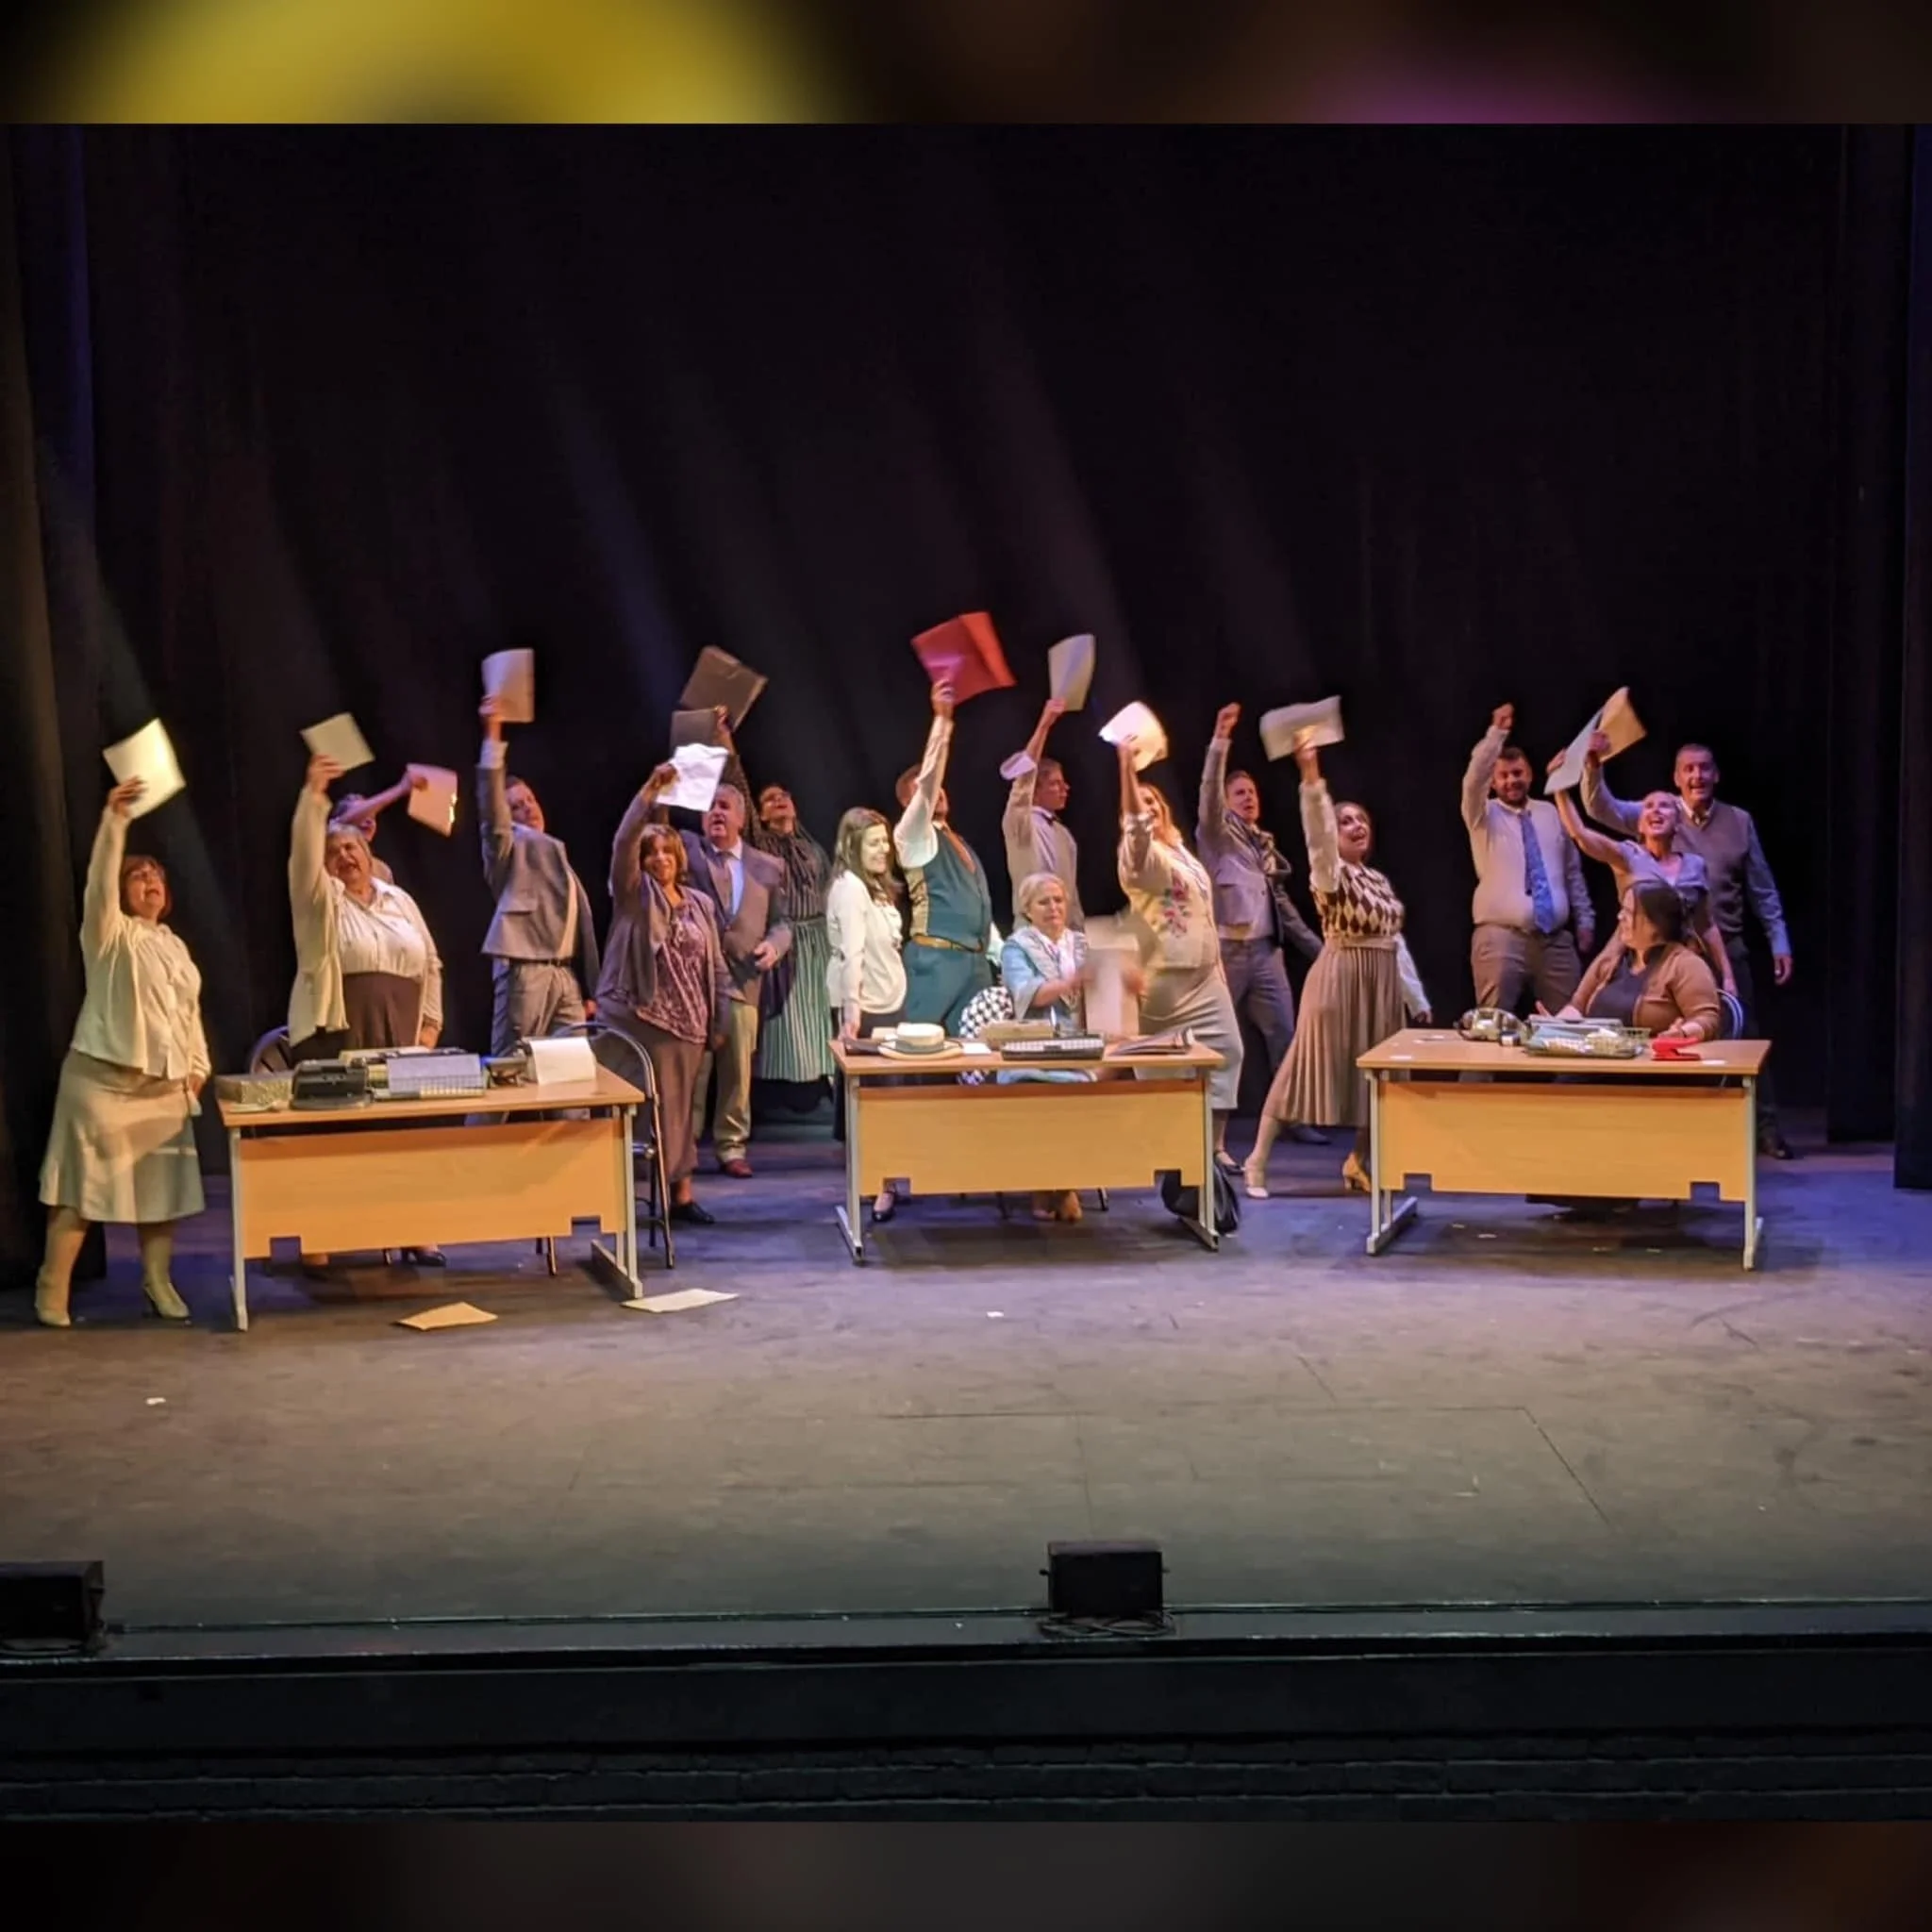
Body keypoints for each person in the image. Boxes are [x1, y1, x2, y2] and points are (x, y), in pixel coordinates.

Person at [33, 777, 209, 1327]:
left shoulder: (174, 945)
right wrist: (115, 823)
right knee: (80, 1190)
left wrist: (198, 1068)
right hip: (104, 1082)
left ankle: (157, 1283)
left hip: (163, 1087)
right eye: (138, 875)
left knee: (163, 1192)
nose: (149, 881)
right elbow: (97, 886)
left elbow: (188, 1013)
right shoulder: (108, 935)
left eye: (155, 874)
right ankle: (51, 1288)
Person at [1581, 735, 1794, 1157]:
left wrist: (1779, 940)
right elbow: (1599, 807)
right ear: (1676, 778)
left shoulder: (1739, 822)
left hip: (1722, 943)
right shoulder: (1662, 814)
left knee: (1743, 1036)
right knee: (1675, 1041)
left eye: (1704, 768)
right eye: (1688, 769)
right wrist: (1591, 764)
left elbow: (1762, 888)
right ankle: (1691, 1136)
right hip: (1666, 958)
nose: (1697, 776)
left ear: (1716, 775)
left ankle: (1764, 1127)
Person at [1244, 739, 1430, 1199]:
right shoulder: (1330, 873)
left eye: (1361, 820)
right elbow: (1316, 837)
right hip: (1340, 976)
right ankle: (1257, 1161)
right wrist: (1312, 779)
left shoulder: (1378, 880)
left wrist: (1416, 999)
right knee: (1302, 1069)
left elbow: (1394, 942)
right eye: (1345, 821)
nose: (1355, 826)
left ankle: (1358, 1162)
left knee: (1379, 1076)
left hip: (1380, 984)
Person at [289, 752, 447, 1266]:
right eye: (335, 849)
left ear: (368, 851)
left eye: (352, 846)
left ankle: (411, 1228)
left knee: (400, 1139)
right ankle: (323, 1234)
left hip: (399, 1030)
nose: (345, 856)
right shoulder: (321, 901)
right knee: (337, 1137)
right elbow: (304, 856)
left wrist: (430, 1024)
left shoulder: (397, 898)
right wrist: (315, 796)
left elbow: (431, 962)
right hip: (340, 1031)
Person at [600, 766, 731, 1225]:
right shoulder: (634, 894)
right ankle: (624, 1196)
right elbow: (622, 844)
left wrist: (720, 1022)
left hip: (689, 1026)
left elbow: (714, 966)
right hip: (642, 1017)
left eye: (666, 850)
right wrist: (649, 793)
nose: (659, 858)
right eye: (650, 852)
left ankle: (681, 1196)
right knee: (642, 1112)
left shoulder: (700, 904)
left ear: (679, 855)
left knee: (682, 1112)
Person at [1198, 703, 1326, 1162]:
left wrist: (1321, 951)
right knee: (1220, 1043)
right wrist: (1220, 741)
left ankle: (1293, 1118)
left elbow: (1285, 910)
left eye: (1252, 792)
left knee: (1286, 1039)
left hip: (1266, 954)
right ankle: (1211, 1134)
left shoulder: (1264, 847)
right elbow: (1209, 793)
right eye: (1239, 793)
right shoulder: (1215, 836)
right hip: (1228, 953)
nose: (1248, 798)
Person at [1115, 739, 1245, 1156]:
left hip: (1206, 975)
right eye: (1142, 802)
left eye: (1155, 802)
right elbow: (1137, 827)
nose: (1149, 808)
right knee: (1161, 1070)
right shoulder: (1139, 857)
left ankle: (1214, 1147)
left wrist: (1219, 967)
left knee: (1229, 1051)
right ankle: (1168, 1149)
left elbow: (1202, 912)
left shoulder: (1180, 852)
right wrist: (1127, 771)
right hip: (1166, 981)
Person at [659, 774, 791, 1179]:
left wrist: (775, 944)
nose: (716, 813)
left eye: (724, 807)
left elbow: (783, 922)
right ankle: (684, 1148)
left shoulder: (768, 866)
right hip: (692, 985)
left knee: (737, 1071)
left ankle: (731, 1146)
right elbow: (656, 826)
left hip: (743, 981)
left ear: (740, 818)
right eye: (710, 807)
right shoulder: (688, 853)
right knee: (691, 1074)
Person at [476, 695, 600, 1056]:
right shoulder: (508, 848)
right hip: (526, 969)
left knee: (574, 1080)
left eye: (530, 799)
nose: (527, 807)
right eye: (516, 805)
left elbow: (583, 931)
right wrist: (492, 735)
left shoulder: (558, 858)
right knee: (507, 1070)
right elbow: (491, 813)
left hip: (565, 976)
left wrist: (592, 990)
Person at [1552, 768, 1736, 997]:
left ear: (1678, 824)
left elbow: (1706, 926)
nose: (1656, 810)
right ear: (1639, 825)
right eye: (1648, 806)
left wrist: (1727, 975)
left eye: (1664, 805)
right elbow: (1580, 834)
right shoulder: (1629, 856)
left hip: (1681, 961)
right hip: (1635, 961)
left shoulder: (1694, 865)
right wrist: (1559, 788)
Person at [1462, 702, 1591, 1016]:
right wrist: (1497, 735)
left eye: (1517, 773)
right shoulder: (1482, 815)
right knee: (1491, 1027)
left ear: (1530, 775)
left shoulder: (1550, 813)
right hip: (1501, 938)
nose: (1511, 781)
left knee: (1572, 1028)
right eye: (1503, 776)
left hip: (1555, 941)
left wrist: (1585, 919)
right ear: (1493, 783)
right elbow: (1472, 781)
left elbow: (1572, 871)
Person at [1001, 870, 1108, 1224]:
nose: (1053, 908)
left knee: (1109, 1079)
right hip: (1038, 1042)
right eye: (1043, 902)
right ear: (1027, 909)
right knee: (1046, 1095)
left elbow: (1106, 987)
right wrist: (1072, 981)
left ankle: (1059, 1185)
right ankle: (1055, 1186)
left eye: (1058, 900)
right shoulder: (1017, 946)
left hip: (1085, 1041)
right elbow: (1029, 994)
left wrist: (1125, 979)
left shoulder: (1082, 943)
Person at [894, 678, 999, 1033]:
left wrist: (1002, 955)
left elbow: (979, 907)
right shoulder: (912, 836)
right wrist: (943, 722)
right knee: (917, 1051)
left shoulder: (961, 843)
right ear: (909, 806)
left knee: (978, 1056)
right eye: (929, 792)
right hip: (935, 961)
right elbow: (927, 783)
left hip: (975, 964)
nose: (938, 793)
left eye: (943, 790)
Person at [824, 806, 907, 1220]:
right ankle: (879, 1185)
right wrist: (852, 1014)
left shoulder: (875, 888)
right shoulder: (851, 888)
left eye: (886, 843)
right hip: (866, 1009)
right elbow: (852, 954)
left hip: (888, 1003)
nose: (883, 850)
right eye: (874, 843)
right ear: (851, 845)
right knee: (873, 1102)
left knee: (886, 1099)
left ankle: (883, 1178)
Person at [1555, 880, 1723, 1041]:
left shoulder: (1685, 965)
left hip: (1650, 1065)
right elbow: (1577, 1007)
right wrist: (1554, 1027)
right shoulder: (1611, 960)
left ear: (1654, 924)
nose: (1620, 917)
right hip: (1594, 1061)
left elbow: (1707, 1019)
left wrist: (1683, 1033)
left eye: (1628, 912)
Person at [1001, 695, 1083, 929]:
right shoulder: (1021, 823)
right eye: (1056, 783)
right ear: (1036, 792)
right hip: (1034, 931)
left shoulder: (1063, 833)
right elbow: (1023, 780)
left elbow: (1072, 895)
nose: (1065, 788)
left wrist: (1078, 935)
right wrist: (1044, 724)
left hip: (1065, 934)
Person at [329, 769, 426, 886]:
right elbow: (342, 823)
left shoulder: (382, 870)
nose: (369, 821)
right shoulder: (326, 854)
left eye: (372, 816)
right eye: (364, 815)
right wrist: (400, 789)